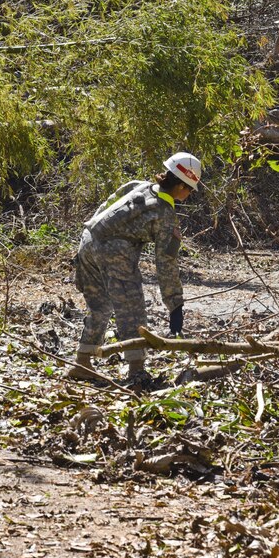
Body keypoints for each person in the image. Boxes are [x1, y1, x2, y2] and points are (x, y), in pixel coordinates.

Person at [66, 152, 201, 389]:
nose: (188, 195)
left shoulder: (138, 186)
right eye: (189, 189)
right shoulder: (164, 214)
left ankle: (82, 363)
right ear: (180, 184)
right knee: (132, 308)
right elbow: (166, 262)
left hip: (88, 240)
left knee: (101, 306)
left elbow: (105, 206)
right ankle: (137, 371)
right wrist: (175, 305)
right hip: (114, 251)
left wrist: (89, 246)